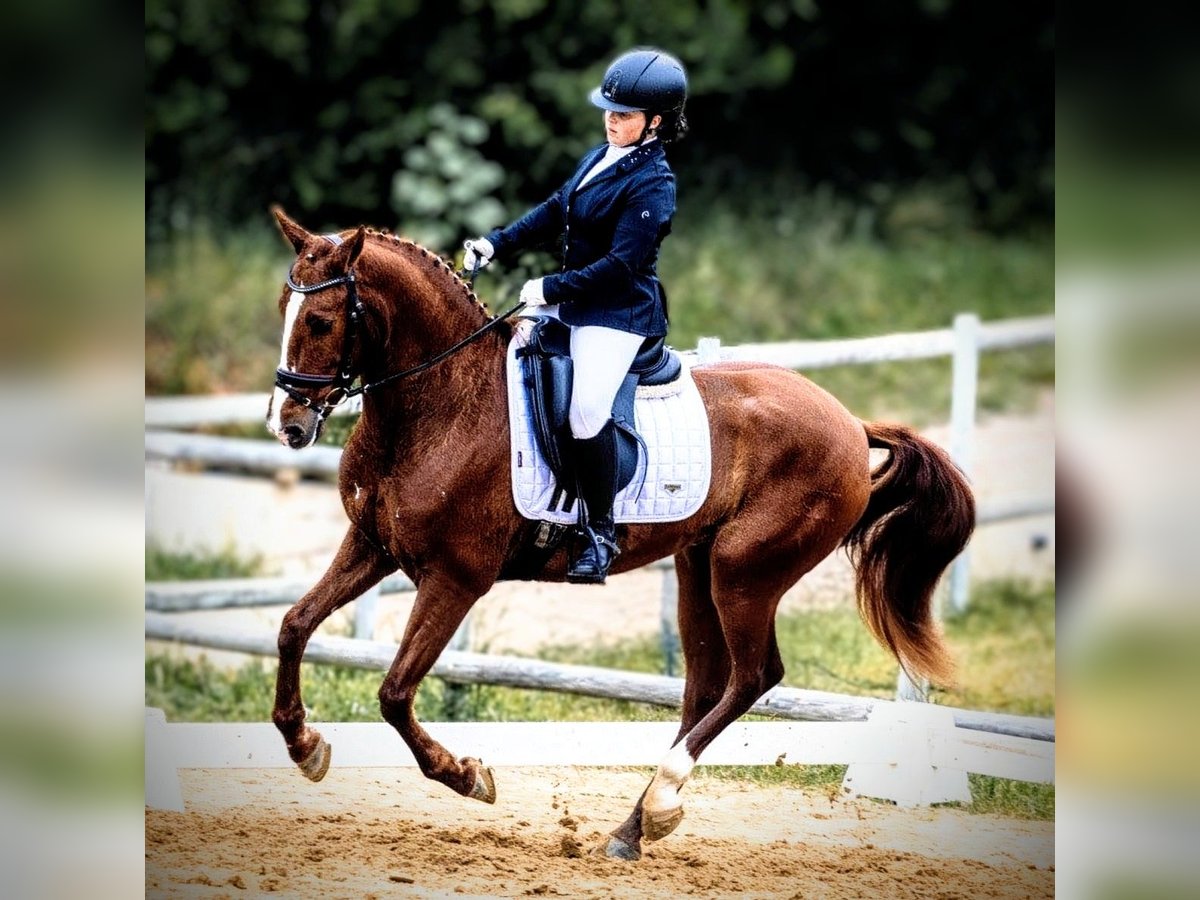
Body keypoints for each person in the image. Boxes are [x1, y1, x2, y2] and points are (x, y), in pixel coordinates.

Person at [463, 47, 688, 584]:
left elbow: (622, 265)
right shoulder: (599, 156)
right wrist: (496, 245)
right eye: (608, 110)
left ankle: (600, 531)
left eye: (624, 114)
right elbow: (554, 209)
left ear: (655, 122)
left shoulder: (654, 183)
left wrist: (550, 286)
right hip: (573, 303)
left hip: (617, 315)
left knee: (587, 411)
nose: (611, 120)